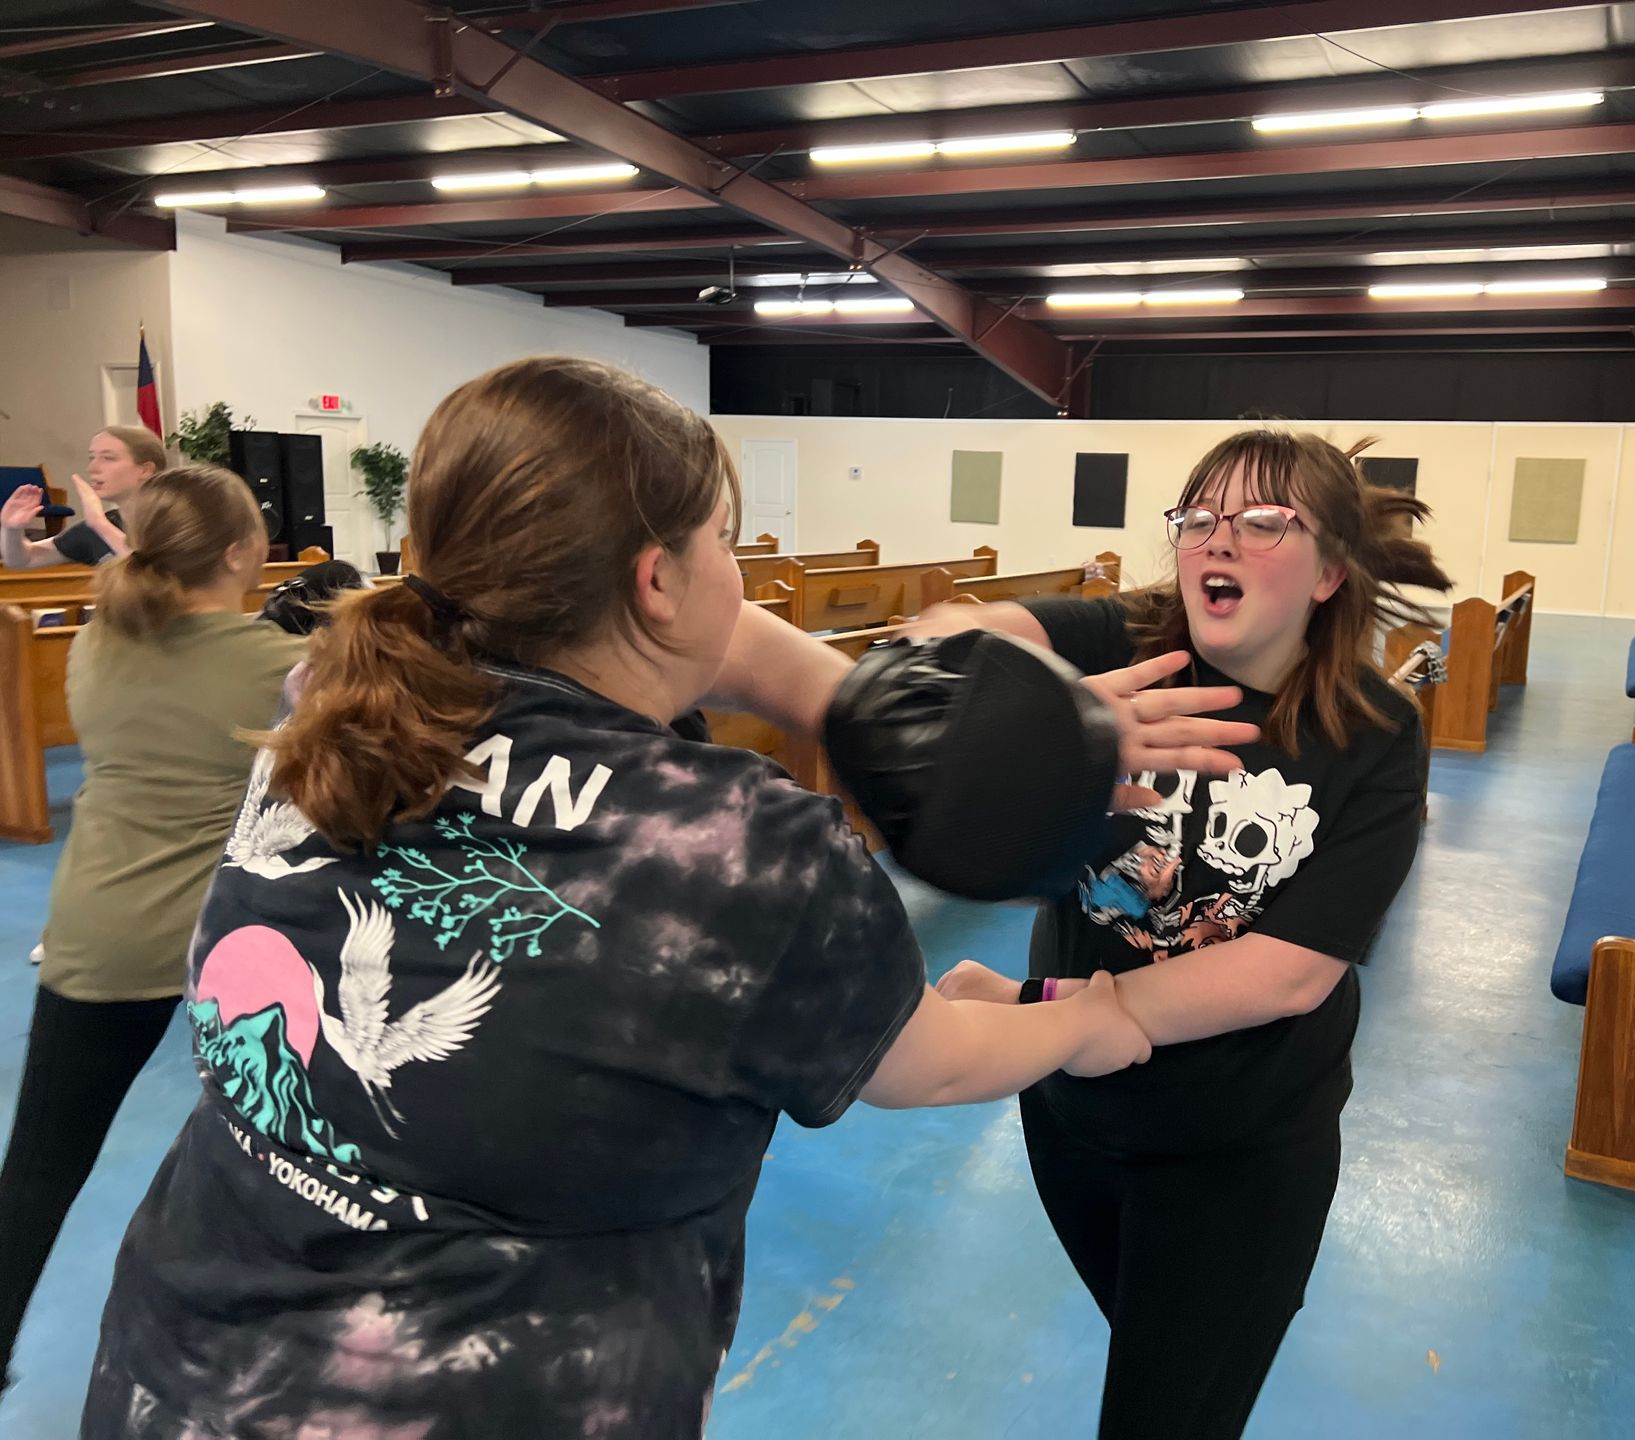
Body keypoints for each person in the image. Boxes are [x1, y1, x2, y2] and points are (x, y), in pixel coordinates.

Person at [78, 356, 1254, 1439]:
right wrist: (1098, 1018)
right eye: (724, 543)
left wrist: (862, 707)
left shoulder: (326, 700)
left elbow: (666, 626)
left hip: (169, 1369)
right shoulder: (739, 845)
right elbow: (922, 1059)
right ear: (656, 580)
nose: (735, 576)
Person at [925, 428, 1453, 1439]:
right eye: (1200, 518)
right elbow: (950, 636)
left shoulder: (1373, 732)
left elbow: (1290, 974)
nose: (1220, 540)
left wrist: (1060, 1012)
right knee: (1163, 1363)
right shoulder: (1126, 646)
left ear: (1331, 570)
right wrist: (1039, 711)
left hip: (1236, 1152)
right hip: (1074, 1120)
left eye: (1263, 522)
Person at [0, 464, 305, 1394]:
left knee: (41, 1167)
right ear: (241, 552)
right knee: (282, 1154)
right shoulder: (273, 663)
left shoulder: (100, 638)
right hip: (236, 952)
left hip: (100, 929)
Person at [0, 425, 165, 569]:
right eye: (92, 457)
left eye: (108, 458)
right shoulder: (97, 526)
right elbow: (22, 560)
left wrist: (100, 525)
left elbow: (156, 578)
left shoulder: (180, 520)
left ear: (145, 470)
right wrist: (12, 529)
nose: (92, 468)